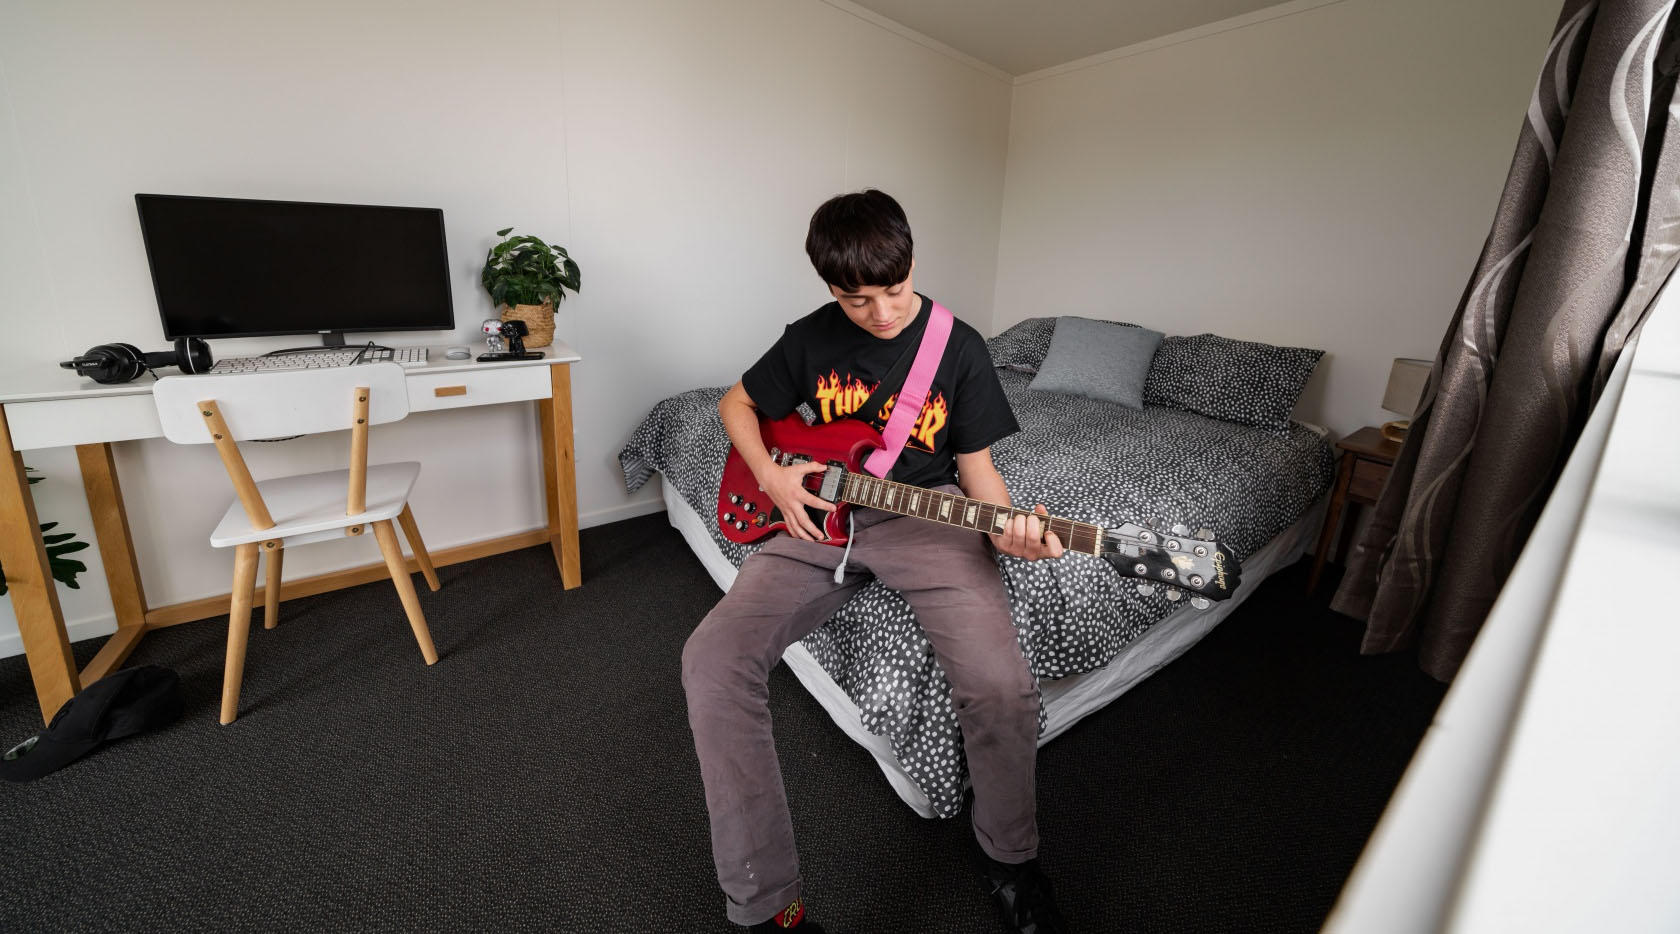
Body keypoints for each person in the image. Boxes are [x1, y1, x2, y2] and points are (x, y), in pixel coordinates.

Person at [681, 189, 1071, 934]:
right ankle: (769, 910)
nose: (883, 313)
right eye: (858, 301)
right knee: (711, 658)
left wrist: (1006, 527)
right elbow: (736, 404)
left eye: (894, 291)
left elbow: (979, 470)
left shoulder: (958, 346)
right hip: (814, 519)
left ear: (913, 262)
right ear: (830, 288)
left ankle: (1010, 860)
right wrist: (770, 475)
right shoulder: (810, 338)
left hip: (927, 520)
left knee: (1000, 688)